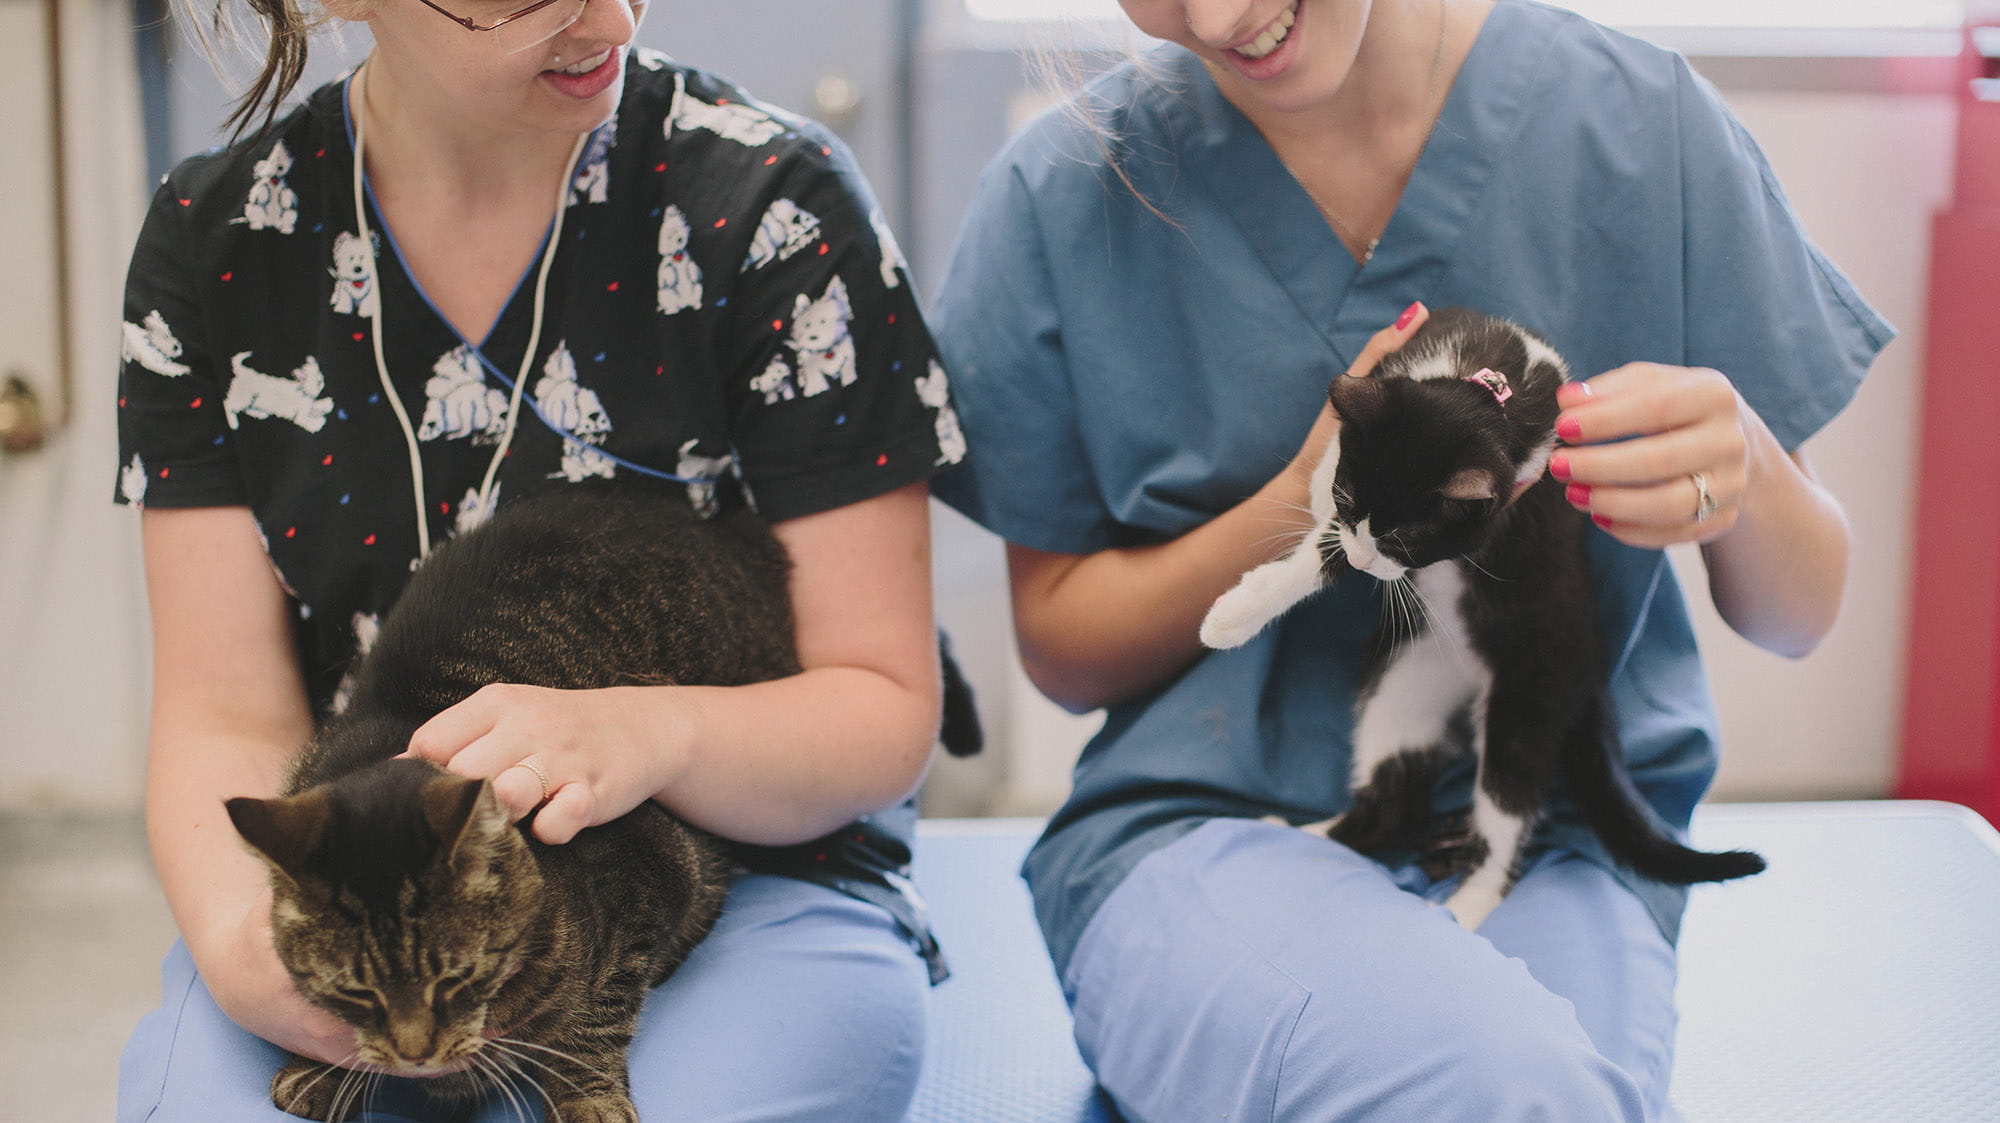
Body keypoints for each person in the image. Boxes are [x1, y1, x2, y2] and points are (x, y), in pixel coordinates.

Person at [930, 0, 1889, 1118]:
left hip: (1545, 843)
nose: (1217, 16)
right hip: (1204, 839)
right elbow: (1061, 649)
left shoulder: (1640, 127)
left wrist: (1749, 473)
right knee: (1499, 1087)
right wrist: (1299, 502)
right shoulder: (1064, 195)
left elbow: (1798, 612)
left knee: (1534, 1093)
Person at [113, 0, 962, 1117]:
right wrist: (248, 950)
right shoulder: (214, 242)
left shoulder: (772, 208)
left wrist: (659, 730)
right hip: (373, 890)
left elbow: (883, 706)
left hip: (750, 861)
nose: (607, 15)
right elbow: (224, 716)